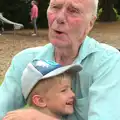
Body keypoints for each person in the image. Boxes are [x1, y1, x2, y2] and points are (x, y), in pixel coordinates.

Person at [1, 0, 120, 120]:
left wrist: (39, 117)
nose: (59, 18)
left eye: (73, 11)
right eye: (55, 7)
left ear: (90, 23)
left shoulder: (108, 62)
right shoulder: (25, 61)